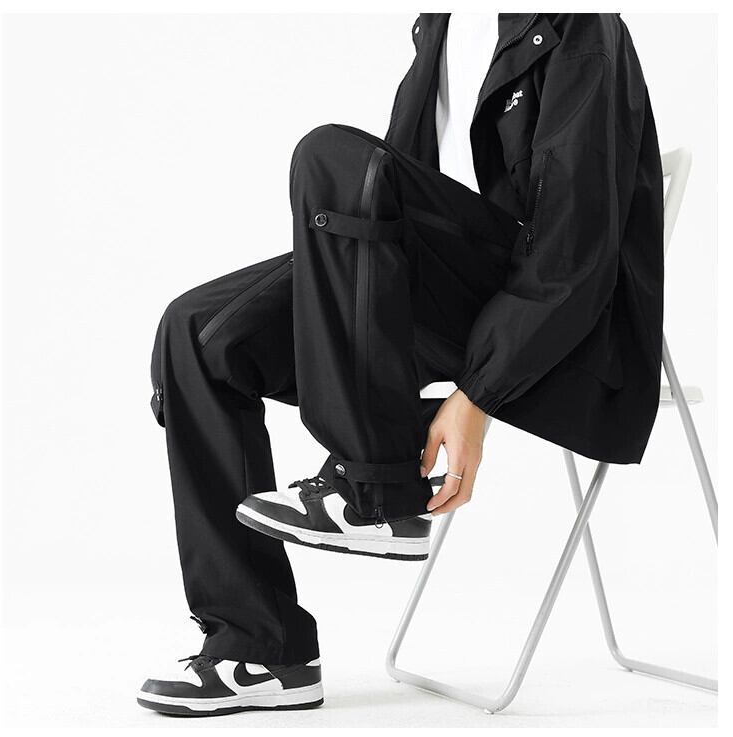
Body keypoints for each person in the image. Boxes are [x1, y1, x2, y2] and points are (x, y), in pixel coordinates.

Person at [137, 13, 664, 716]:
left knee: (330, 157)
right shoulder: (439, 28)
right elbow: (387, 221)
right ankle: (259, 648)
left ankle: (377, 487)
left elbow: (573, 254)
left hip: (565, 336)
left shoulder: (578, 28)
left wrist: (477, 394)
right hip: (442, 301)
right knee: (197, 333)